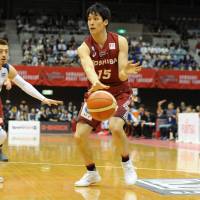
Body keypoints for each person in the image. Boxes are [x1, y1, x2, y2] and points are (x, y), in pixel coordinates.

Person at [74, 2, 142, 187]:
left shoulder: (120, 41)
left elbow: (121, 74)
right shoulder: (84, 47)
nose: (91, 22)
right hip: (97, 92)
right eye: (89, 19)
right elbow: (88, 66)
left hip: (120, 92)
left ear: (105, 22)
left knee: (116, 126)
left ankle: (127, 165)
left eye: (95, 18)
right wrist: (95, 81)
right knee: (79, 135)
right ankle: (91, 173)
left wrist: (126, 70)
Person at [0, 38, 63, 182]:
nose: (4, 54)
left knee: (2, 135)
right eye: (0, 52)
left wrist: (43, 99)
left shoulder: (7, 69)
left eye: (6, 51)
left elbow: (24, 85)